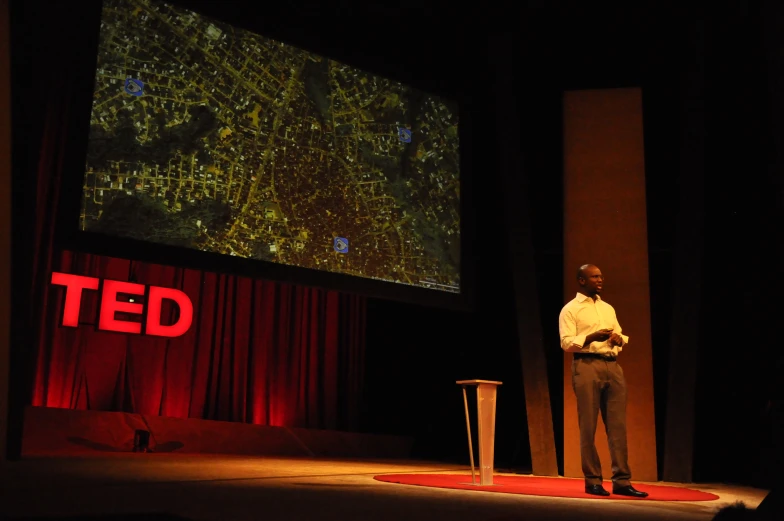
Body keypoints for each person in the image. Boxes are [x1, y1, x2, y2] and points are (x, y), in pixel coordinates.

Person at [558, 264, 648, 497]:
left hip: (612, 366)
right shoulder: (570, 309)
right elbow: (566, 343)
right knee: (588, 426)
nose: (600, 279)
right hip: (586, 365)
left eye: (601, 276)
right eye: (594, 276)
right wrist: (590, 337)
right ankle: (593, 480)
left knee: (618, 427)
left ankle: (622, 481)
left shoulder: (607, 308)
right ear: (581, 280)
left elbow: (620, 333)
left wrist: (618, 338)